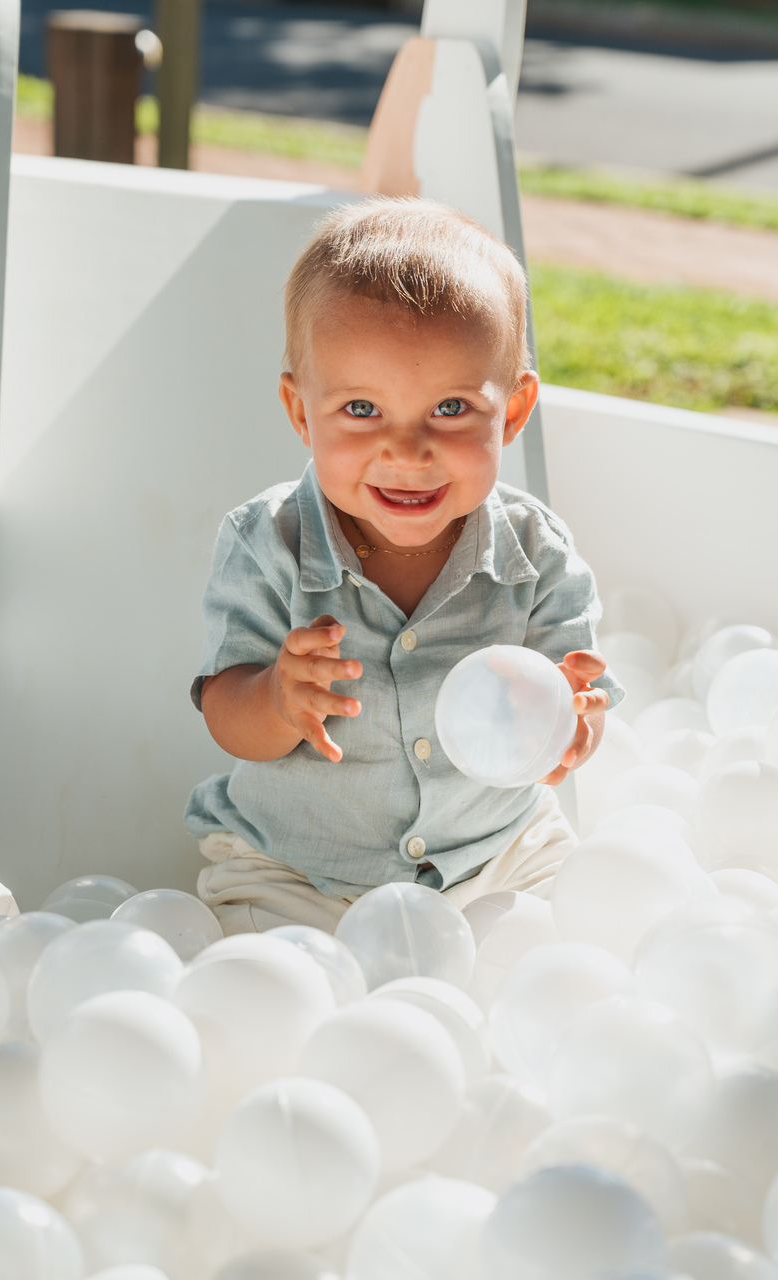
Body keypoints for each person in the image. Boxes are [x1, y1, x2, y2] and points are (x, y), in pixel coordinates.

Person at [185, 196, 624, 936]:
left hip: (493, 854)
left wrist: (574, 727)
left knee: (572, 935)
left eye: (451, 409)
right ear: (301, 411)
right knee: (265, 977)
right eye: (361, 410)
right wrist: (277, 699)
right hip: (297, 868)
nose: (407, 450)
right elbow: (227, 715)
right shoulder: (269, 542)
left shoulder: (535, 552)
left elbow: (578, 693)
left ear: (513, 413)